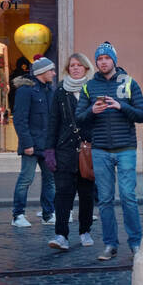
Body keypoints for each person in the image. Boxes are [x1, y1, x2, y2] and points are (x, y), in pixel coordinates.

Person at [75, 42, 143, 260]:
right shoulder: (88, 86)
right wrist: (92, 110)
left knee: (128, 197)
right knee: (105, 199)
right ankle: (110, 244)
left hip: (125, 147)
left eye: (107, 58)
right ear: (96, 62)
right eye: (99, 59)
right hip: (100, 150)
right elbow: (79, 118)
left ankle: (135, 243)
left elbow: (142, 114)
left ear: (114, 60)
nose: (103, 62)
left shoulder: (129, 83)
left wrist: (121, 106)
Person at [44, 53, 96, 252]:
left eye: (79, 65)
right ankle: (61, 235)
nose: (75, 68)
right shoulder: (60, 92)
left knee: (86, 194)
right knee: (63, 195)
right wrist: (49, 150)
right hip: (64, 150)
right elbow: (53, 122)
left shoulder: (92, 89)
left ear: (85, 68)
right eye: (72, 65)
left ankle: (85, 231)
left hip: (86, 151)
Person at [11, 58, 57, 227]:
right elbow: (20, 119)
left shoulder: (50, 91)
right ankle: (18, 215)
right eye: (51, 70)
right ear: (42, 72)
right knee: (26, 179)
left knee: (50, 179)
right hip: (31, 144)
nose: (53, 73)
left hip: (47, 145)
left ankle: (48, 214)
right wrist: (27, 143)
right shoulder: (26, 91)